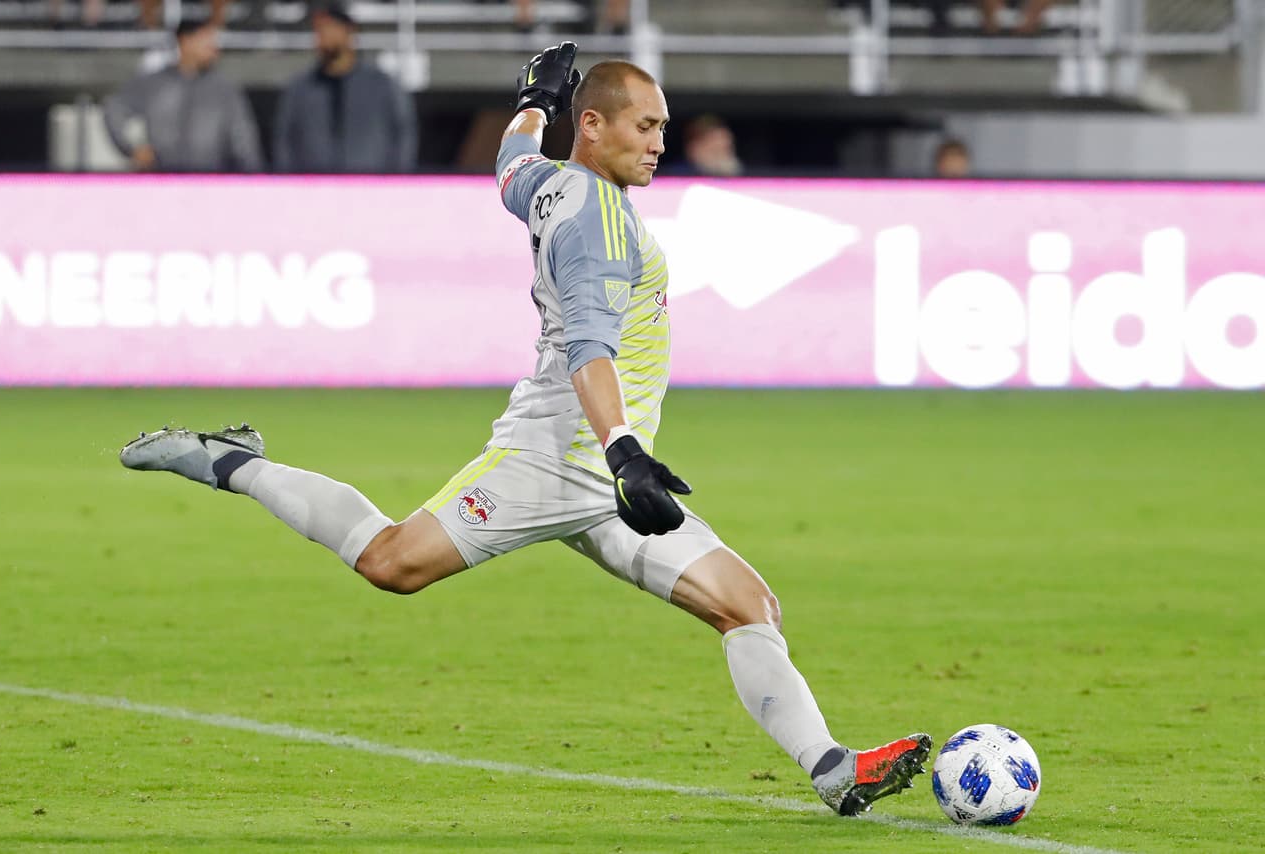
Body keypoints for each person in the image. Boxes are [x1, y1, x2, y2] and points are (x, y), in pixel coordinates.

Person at [118, 42, 930, 816]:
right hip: (557, 460)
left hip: (610, 476)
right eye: (645, 127)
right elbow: (588, 346)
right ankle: (236, 463)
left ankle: (831, 770)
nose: (659, 145)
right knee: (392, 562)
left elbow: (508, 164)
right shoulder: (600, 223)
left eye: (664, 130)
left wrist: (532, 104)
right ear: (597, 125)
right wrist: (626, 454)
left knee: (748, 606)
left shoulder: (547, 182)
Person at [103, 18, 263, 173]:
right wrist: (132, 148)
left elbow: (244, 140)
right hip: (160, 180)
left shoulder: (224, 89)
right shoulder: (154, 83)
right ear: (185, 41)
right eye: (206, 40)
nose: (214, 48)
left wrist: (253, 177)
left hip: (211, 182)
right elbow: (115, 108)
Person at [274, 1, 416, 174]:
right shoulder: (300, 89)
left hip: (370, 188)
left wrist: (395, 182)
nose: (323, 36)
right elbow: (285, 142)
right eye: (319, 30)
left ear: (349, 30)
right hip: (314, 190)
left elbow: (403, 137)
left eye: (330, 27)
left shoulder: (382, 85)